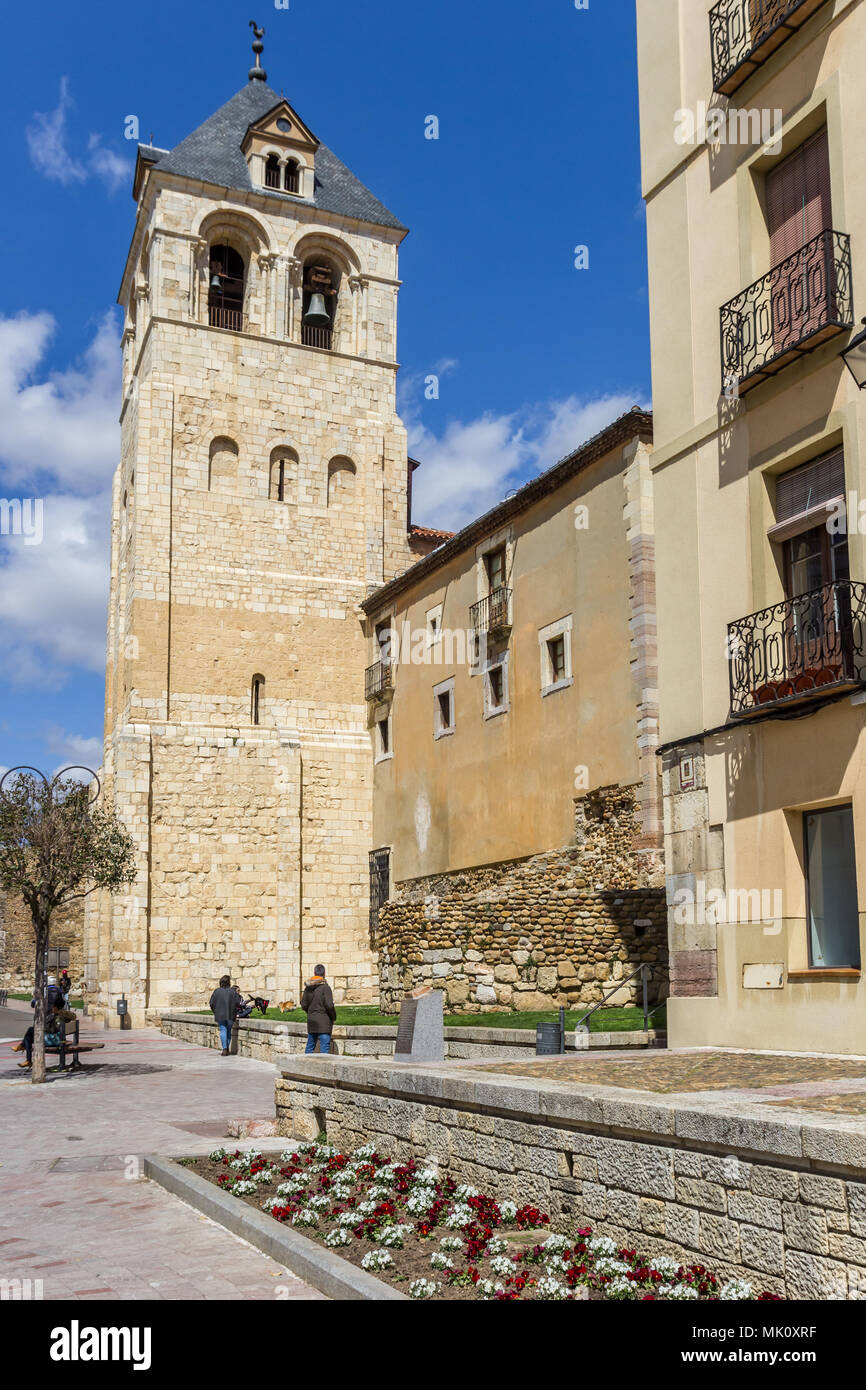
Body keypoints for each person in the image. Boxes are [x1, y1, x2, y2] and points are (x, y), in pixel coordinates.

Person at [13, 998, 76, 1069]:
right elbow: (73, 1016)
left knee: (29, 1035)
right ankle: (26, 1056)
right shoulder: (63, 1014)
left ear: (55, 1007)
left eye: (53, 1006)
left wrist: (43, 1029)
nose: (51, 1008)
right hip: (57, 1038)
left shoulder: (58, 1017)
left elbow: (53, 1030)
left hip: (54, 1040)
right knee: (29, 1034)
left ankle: (26, 1054)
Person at [301, 965, 336, 1055]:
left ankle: (306, 1066)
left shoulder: (307, 988)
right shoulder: (325, 988)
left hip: (312, 1021)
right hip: (324, 1022)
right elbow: (329, 1006)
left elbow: (304, 1004)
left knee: (310, 1046)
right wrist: (333, 1017)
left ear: (314, 973)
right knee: (324, 1049)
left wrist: (310, 1012)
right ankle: (323, 1069)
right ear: (324, 974)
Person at [208, 975, 240, 1055]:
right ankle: (227, 1048)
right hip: (231, 1014)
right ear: (229, 982)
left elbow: (211, 1003)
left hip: (220, 1014)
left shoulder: (216, 991)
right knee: (228, 1030)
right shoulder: (233, 991)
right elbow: (238, 1002)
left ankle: (225, 1048)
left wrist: (215, 1011)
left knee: (223, 1030)